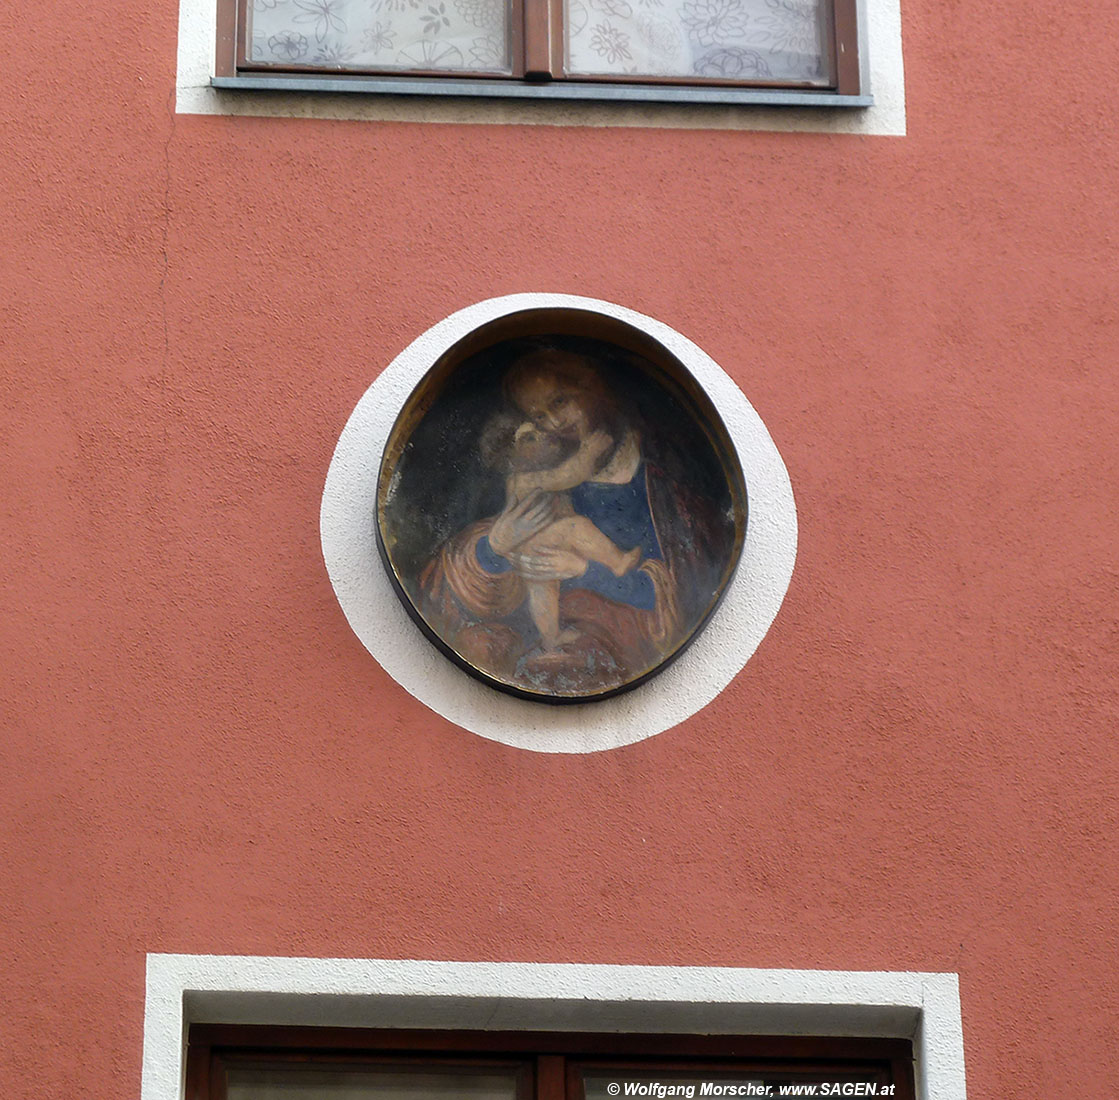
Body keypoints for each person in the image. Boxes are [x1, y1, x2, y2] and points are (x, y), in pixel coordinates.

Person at [419, 348, 698, 696]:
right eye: (538, 417)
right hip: (541, 643)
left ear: (594, 388)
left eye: (561, 401)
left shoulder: (661, 485)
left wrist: (584, 570)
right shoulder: (549, 477)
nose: (553, 422)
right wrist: (494, 548)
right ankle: (552, 639)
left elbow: (674, 596)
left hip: (615, 644)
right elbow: (451, 587)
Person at [478, 412, 643, 651]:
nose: (542, 437)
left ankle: (551, 638)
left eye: (538, 432)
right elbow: (572, 474)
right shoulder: (523, 479)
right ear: (512, 456)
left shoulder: (536, 477)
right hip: (538, 539)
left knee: (543, 590)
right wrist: (589, 450)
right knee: (576, 527)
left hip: (532, 547)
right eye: (530, 439)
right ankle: (617, 562)